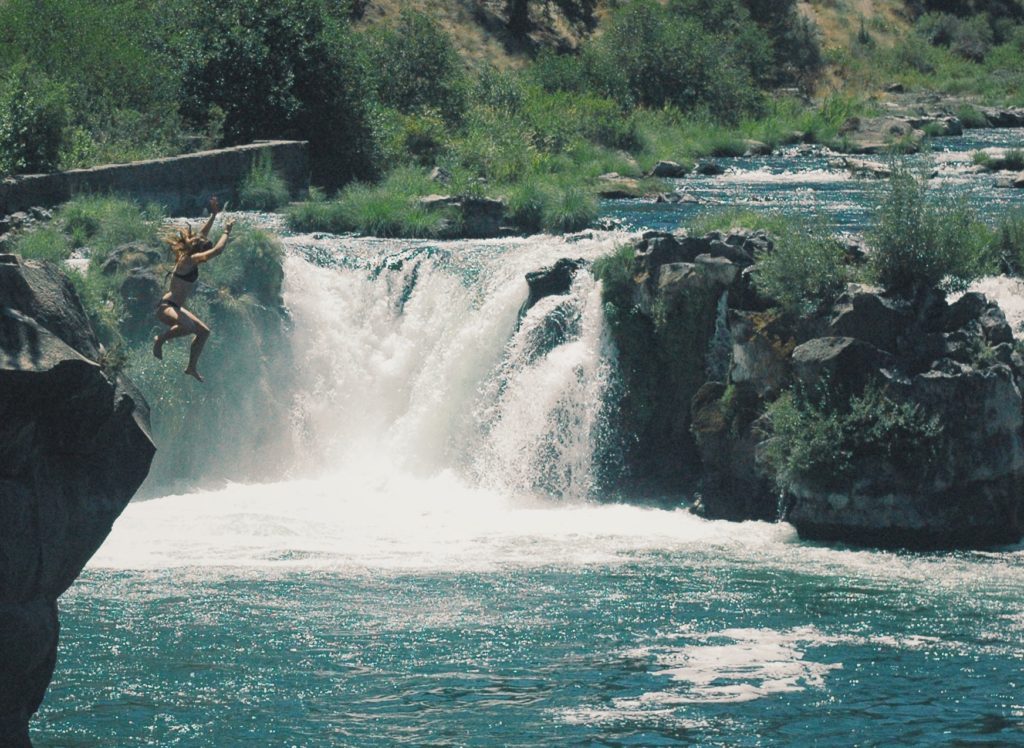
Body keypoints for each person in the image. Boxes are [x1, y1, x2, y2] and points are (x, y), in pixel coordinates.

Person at [153, 196, 235, 382]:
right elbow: (217, 251)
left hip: (176, 307)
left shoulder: (189, 254)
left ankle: (191, 367)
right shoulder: (188, 260)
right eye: (203, 247)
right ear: (197, 250)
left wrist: (214, 215)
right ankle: (160, 339)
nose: (205, 248)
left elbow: (201, 235)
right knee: (188, 327)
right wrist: (226, 231)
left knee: (204, 332)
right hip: (166, 307)